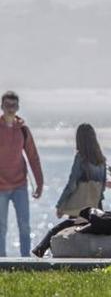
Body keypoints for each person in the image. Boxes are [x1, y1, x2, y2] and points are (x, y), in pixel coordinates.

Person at [0, 91, 44, 257]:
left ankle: (26, 260)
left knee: (24, 225)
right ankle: (1, 261)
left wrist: (39, 183)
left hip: (20, 185)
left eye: (14, 105)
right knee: (1, 226)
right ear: (2, 106)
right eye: (7, 105)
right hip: (1, 187)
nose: (11, 109)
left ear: (18, 107)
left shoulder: (23, 130)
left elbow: (33, 157)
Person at [55, 124, 107, 218]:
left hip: (80, 209)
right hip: (97, 207)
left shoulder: (81, 158)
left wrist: (60, 205)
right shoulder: (101, 160)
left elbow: (72, 185)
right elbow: (102, 187)